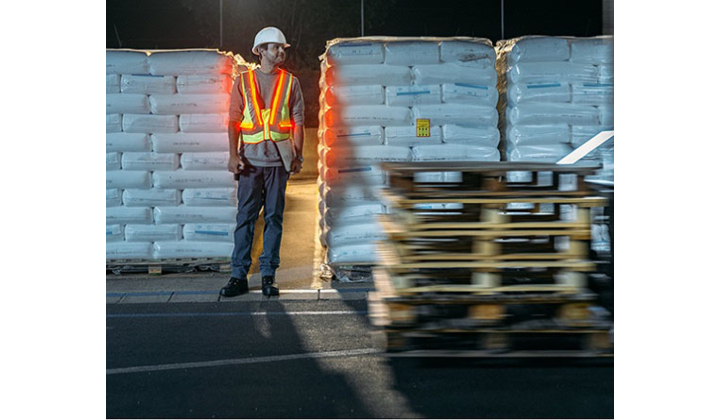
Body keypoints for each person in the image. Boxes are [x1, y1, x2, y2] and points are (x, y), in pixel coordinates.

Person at [220, 27, 305, 297]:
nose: (280, 52)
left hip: (279, 163)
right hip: (250, 162)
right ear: (260, 51)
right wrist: (233, 154)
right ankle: (238, 276)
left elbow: (299, 122)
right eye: (275, 47)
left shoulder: (291, 82)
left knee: (273, 218)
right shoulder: (243, 81)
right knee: (245, 218)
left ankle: (268, 275)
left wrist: (298, 156)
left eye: (282, 48)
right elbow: (234, 120)